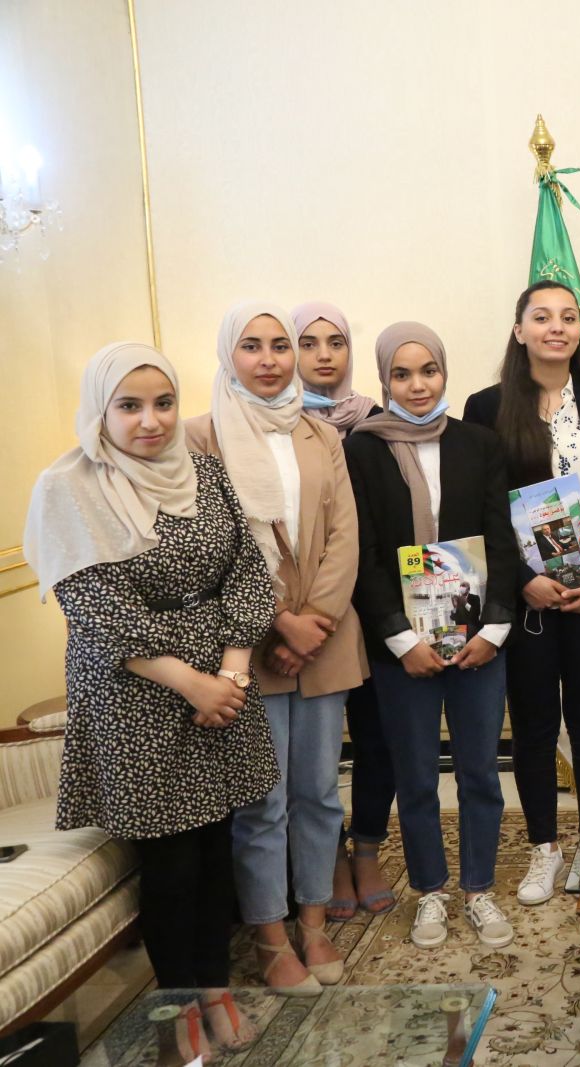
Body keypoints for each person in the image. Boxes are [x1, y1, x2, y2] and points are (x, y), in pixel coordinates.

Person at [23, 343, 278, 1059]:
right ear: (99, 410)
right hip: (135, 697)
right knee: (171, 865)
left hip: (221, 685)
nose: (151, 421)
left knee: (216, 849)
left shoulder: (205, 472)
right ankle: (180, 1014)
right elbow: (96, 607)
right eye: (129, 406)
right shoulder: (68, 487)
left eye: (163, 403)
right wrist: (194, 682)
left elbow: (247, 572)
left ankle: (217, 990)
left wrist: (231, 673)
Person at [186, 302, 361, 995]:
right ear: (229, 354)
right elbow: (216, 545)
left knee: (319, 791)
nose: (269, 359)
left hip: (326, 640)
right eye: (252, 346)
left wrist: (315, 620)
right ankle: (268, 934)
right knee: (263, 800)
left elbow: (344, 534)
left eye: (279, 346)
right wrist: (281, 622)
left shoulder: (320, 432)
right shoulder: (201, 437)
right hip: (249, 645)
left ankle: (313, 922)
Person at [463, 280, 580, 908]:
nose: (556, 327)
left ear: (578, 332)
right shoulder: (487, 407)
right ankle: (545, 847)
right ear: (520, 331)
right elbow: (482, 510)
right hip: (528, 602)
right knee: (535, 726)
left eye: (568, 317)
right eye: (541, 317)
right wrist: (523, 581)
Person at [344, 321, 519, 950]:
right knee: (416, 776)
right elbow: (362, 554)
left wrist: (495, 630)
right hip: (403, 650)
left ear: (444, 372)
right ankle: (431, 893)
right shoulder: (361, 451)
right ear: (384, 379)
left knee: (480, 773)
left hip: (478, 641)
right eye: (402, 374)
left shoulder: (479, 443)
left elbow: (503, 539)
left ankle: (477, 889)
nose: (418, 385)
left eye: (429, 370)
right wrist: (400, 640)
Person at [292, 301, 394, 922]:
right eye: (308, 343)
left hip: (374, 606)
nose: (324, 354)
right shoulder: (276, 425)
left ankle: (368, 850)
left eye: (336, 342)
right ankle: (326, 855)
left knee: (379, 737)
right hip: (312, 615)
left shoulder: (379, 423)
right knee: (317, 750)